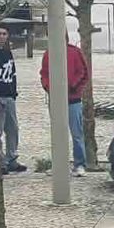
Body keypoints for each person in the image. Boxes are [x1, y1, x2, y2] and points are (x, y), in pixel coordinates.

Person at [41, 37, 91, 176]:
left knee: (77, 134)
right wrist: (48, 87)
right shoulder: (48, 53)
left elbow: (83, 73)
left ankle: (79, 164)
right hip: (55, 99)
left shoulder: (75, 52)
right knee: (57, 133)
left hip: (73, 99)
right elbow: (44, 73)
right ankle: (59, 164)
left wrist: (73, 86)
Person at [0, 26, 25, 173]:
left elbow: (13, 73)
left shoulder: (7, 52)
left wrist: (14, 93)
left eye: (4, 34)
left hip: (10, 96)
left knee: (13, 129)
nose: (2, 36)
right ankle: (0, 161)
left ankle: (12, 158)